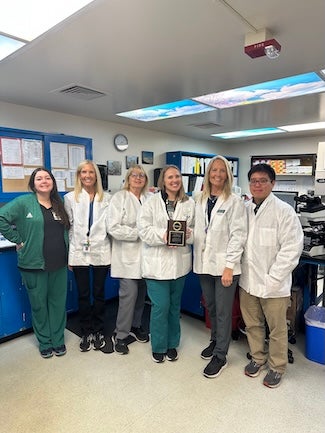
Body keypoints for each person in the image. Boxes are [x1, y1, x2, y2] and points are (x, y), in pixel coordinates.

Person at [239, 163, 304, 388]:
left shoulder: (284, 211)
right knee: (252, 324)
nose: (257, 185)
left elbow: (292, 249)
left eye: (263, 181)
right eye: (253, 181)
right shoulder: (245, 208)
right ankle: (257, 358)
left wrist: (273, 278)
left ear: (272, 183)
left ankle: (277, 367)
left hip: (274, 284)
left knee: (277, 329)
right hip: (247, 280)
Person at [0, 167, 70, 358]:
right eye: (39, 178)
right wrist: (18, 239)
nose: (44, 181)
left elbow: (65, 230)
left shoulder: (58, 202)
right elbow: (1, 218)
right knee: (39, 305)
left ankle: (58, 340)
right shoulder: (24, 202)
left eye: (47, 178)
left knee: (57, 304)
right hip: (33, 265)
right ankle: (45, 342)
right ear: (33, 183)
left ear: (53, 182)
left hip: (59, 264)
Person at [193, 155, 247, 378]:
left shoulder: (234, 201)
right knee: (212, 307)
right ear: (208, 174)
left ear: (227, 174)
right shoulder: (200, 199)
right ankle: (215, 340)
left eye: (221, 171)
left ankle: (221, 356)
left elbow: (238, 235)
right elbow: (197, 229)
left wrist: (229, 266)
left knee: (224, 312)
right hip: (205, 263)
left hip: (225, 268)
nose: (217, 174)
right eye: (213, 170)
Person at [137, 165, 195, 363]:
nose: (174, 180)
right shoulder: (151, 203)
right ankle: (159, 345)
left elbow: (197, 230)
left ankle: (172, 344)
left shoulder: (190, 203)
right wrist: (164, 236)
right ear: (163, 180)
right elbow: (143, 230)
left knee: (174, 307)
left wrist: (189, 235)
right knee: (160, 306)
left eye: (177, 176)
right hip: (156, 265)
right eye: (170, 177)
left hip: (179, 264)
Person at [64, 160, 111, 352]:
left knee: (99, 293)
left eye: (91, 172)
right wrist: (70, 256)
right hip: (79, 252)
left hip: (101, 249)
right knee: (83, 294)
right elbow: (69, 229)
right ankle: (86, 331)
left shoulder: (107, 198)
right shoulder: (70, 198)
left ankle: (99, 329)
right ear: (78, 175)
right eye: (83, 172)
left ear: (96, 175)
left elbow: (110, 226)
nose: (87, 175)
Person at [108, 165, 150, 354]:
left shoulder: (150, 198)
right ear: (128, 178)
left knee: (141, 294)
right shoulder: (119, 198)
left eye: (142, 175)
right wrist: (139, 233)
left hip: (146, 256)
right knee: (129, 295)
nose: (138, 178)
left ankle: (136, 325)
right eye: (135, 175)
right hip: (127, 257)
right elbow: (113, 228)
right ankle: (121, 335)